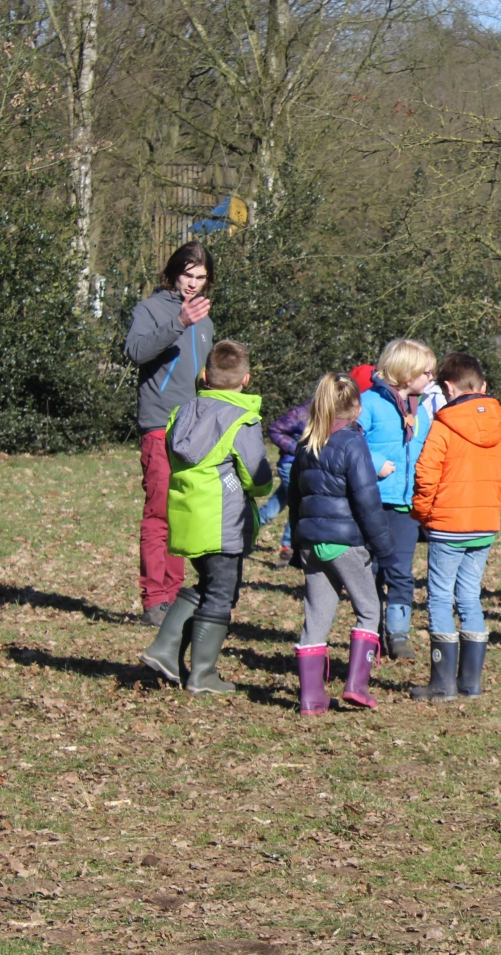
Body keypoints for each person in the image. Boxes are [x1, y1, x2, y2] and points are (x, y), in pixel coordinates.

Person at [139, 340, 273, 695]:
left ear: (203, 375)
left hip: (188, 519)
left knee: (208, 585)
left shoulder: (181, 413)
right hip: (223, 522)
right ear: (246, 379)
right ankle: (202, 675)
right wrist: (256, 489)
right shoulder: (241, 420)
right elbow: (257, 477)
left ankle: (165, 651)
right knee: (220, 595)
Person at [410, 353, 501, 702]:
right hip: (484, 524)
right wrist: (495, 499)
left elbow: (426, 474)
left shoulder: (443, 425)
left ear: (447, 387)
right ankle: (470, 683)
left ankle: (442, 684)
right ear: (482, 386)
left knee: (440, 596)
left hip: (448, 524)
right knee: (469, 596)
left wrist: (423, 514)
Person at [286, 374, 396, 715]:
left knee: (316, 617)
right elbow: (367, 501)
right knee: (369, 609)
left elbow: (294, 497)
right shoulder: (353, 444)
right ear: (357, 409)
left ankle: (311, 698)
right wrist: (385, 550)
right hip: (345, 542)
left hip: (310, 543)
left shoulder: (306, 442)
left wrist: (297, 543)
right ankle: (356, 685)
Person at [124, 241, 216, 625]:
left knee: (183, 514)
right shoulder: (150, 309)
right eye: (187, 275)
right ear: (173, 272)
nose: (193, 284)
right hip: (161, 424)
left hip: (195, 428)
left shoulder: (207, 320)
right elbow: (135, 351)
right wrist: (178, 323)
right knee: (159, 512)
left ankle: (176, 594)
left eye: (201, 278)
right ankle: (154, 598)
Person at [357, 339, 439, 661]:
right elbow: (349, 440)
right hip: (374, 503)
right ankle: (371, 632)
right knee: (373, 571)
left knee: (402, 571)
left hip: (406, 506)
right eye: (426, 371)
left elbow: (429, 449)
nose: (431, 376)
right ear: (406, 374)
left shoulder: (422, 411)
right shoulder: (368, 403)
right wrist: (375, 464)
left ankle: (399, 634)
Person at [259, 399, 309, 562]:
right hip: (291, 464)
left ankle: (245, 527)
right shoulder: (301, 412)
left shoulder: (332, 412)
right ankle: (288, 546)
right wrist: (297, 449)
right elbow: (275, 429)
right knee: (300, 504)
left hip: (307, 465)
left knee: (277, 503)